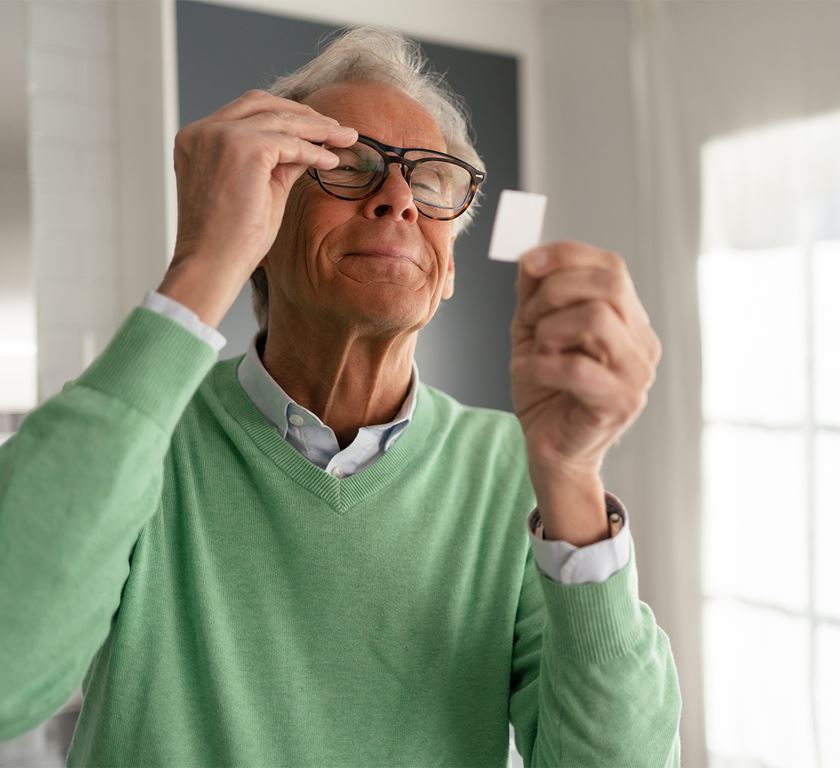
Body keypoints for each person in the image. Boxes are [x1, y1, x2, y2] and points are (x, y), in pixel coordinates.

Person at [0, 26, 680, 766]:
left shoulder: (520, 476)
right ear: (262, 223)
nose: (398, 200)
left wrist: (573, 475)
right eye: (350, 168)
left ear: (449, 269)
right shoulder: (139, 436)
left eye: (429, 181)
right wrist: (199, 265)